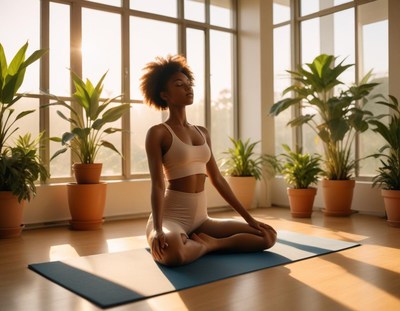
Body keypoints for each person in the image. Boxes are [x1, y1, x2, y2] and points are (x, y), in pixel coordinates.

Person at [140, 55, 277, 267]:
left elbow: (218, 180)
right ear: (164, 95)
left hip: (202, 220)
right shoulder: (158, 133)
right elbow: (158, 185)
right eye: (179, 84)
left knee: (267, 236)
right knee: (174, 252)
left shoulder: (202, 132)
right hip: (171, 219)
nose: (188, 88)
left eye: (188, 84)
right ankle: (196, 243)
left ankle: (210, 245)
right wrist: (158, 229)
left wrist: (250, 220)